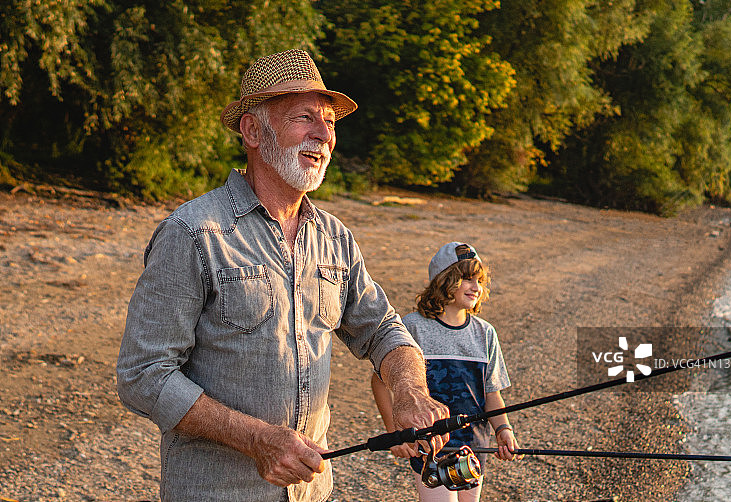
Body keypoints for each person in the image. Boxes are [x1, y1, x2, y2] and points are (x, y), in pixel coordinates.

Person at [116, 49, 449, 502]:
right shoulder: (193, 232)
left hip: (314, 494)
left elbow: (384, 329)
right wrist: (256, 438)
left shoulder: (335, 237)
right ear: (252, 131)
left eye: (330, 121)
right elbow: (144, 375)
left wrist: (409, 391)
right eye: (304, 117)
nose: (323, 134)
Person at [371, 242, 521, 502]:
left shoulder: (485, 333)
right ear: (444, 280)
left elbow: (491, 394)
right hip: (429, 448)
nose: (476, 287)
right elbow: (380, 382)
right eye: (466, 279)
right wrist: (394, 432)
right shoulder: (413, 327)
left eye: (480, 280)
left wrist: (503, 430)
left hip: (474, 448)